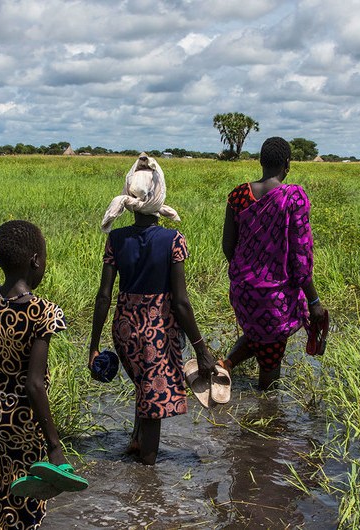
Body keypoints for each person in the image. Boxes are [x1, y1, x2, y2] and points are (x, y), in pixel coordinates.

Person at [89, 153, 215, 465]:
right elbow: (181, 303)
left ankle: (135, 441)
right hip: (156, 333)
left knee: (144, 386)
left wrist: (93, 346)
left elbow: (103, 296)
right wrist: (201, 349)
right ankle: (147, 476)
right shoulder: (172, 240)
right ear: (158, 195)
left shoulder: (116, 239)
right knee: (154, 400)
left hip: (125, 331)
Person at [0, 220, 77, 529]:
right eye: (45, 260)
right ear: (35, 261)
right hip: (27, 419)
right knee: (33, 498)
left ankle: (8, 523)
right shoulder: (42, 312)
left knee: (8, 485)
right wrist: (54, 445)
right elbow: (34, 384)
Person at [220, 137, 328, 390]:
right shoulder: (293, 198)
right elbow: (300, 257)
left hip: (243, 290)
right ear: (287, 164)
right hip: (274, 296)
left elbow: (228, 247)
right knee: (270, 373)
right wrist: (313, 301)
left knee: (259, 335)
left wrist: (248, 274)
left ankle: (224, 365)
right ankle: (267, 419)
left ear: (261, 161)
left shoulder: (238, 195)